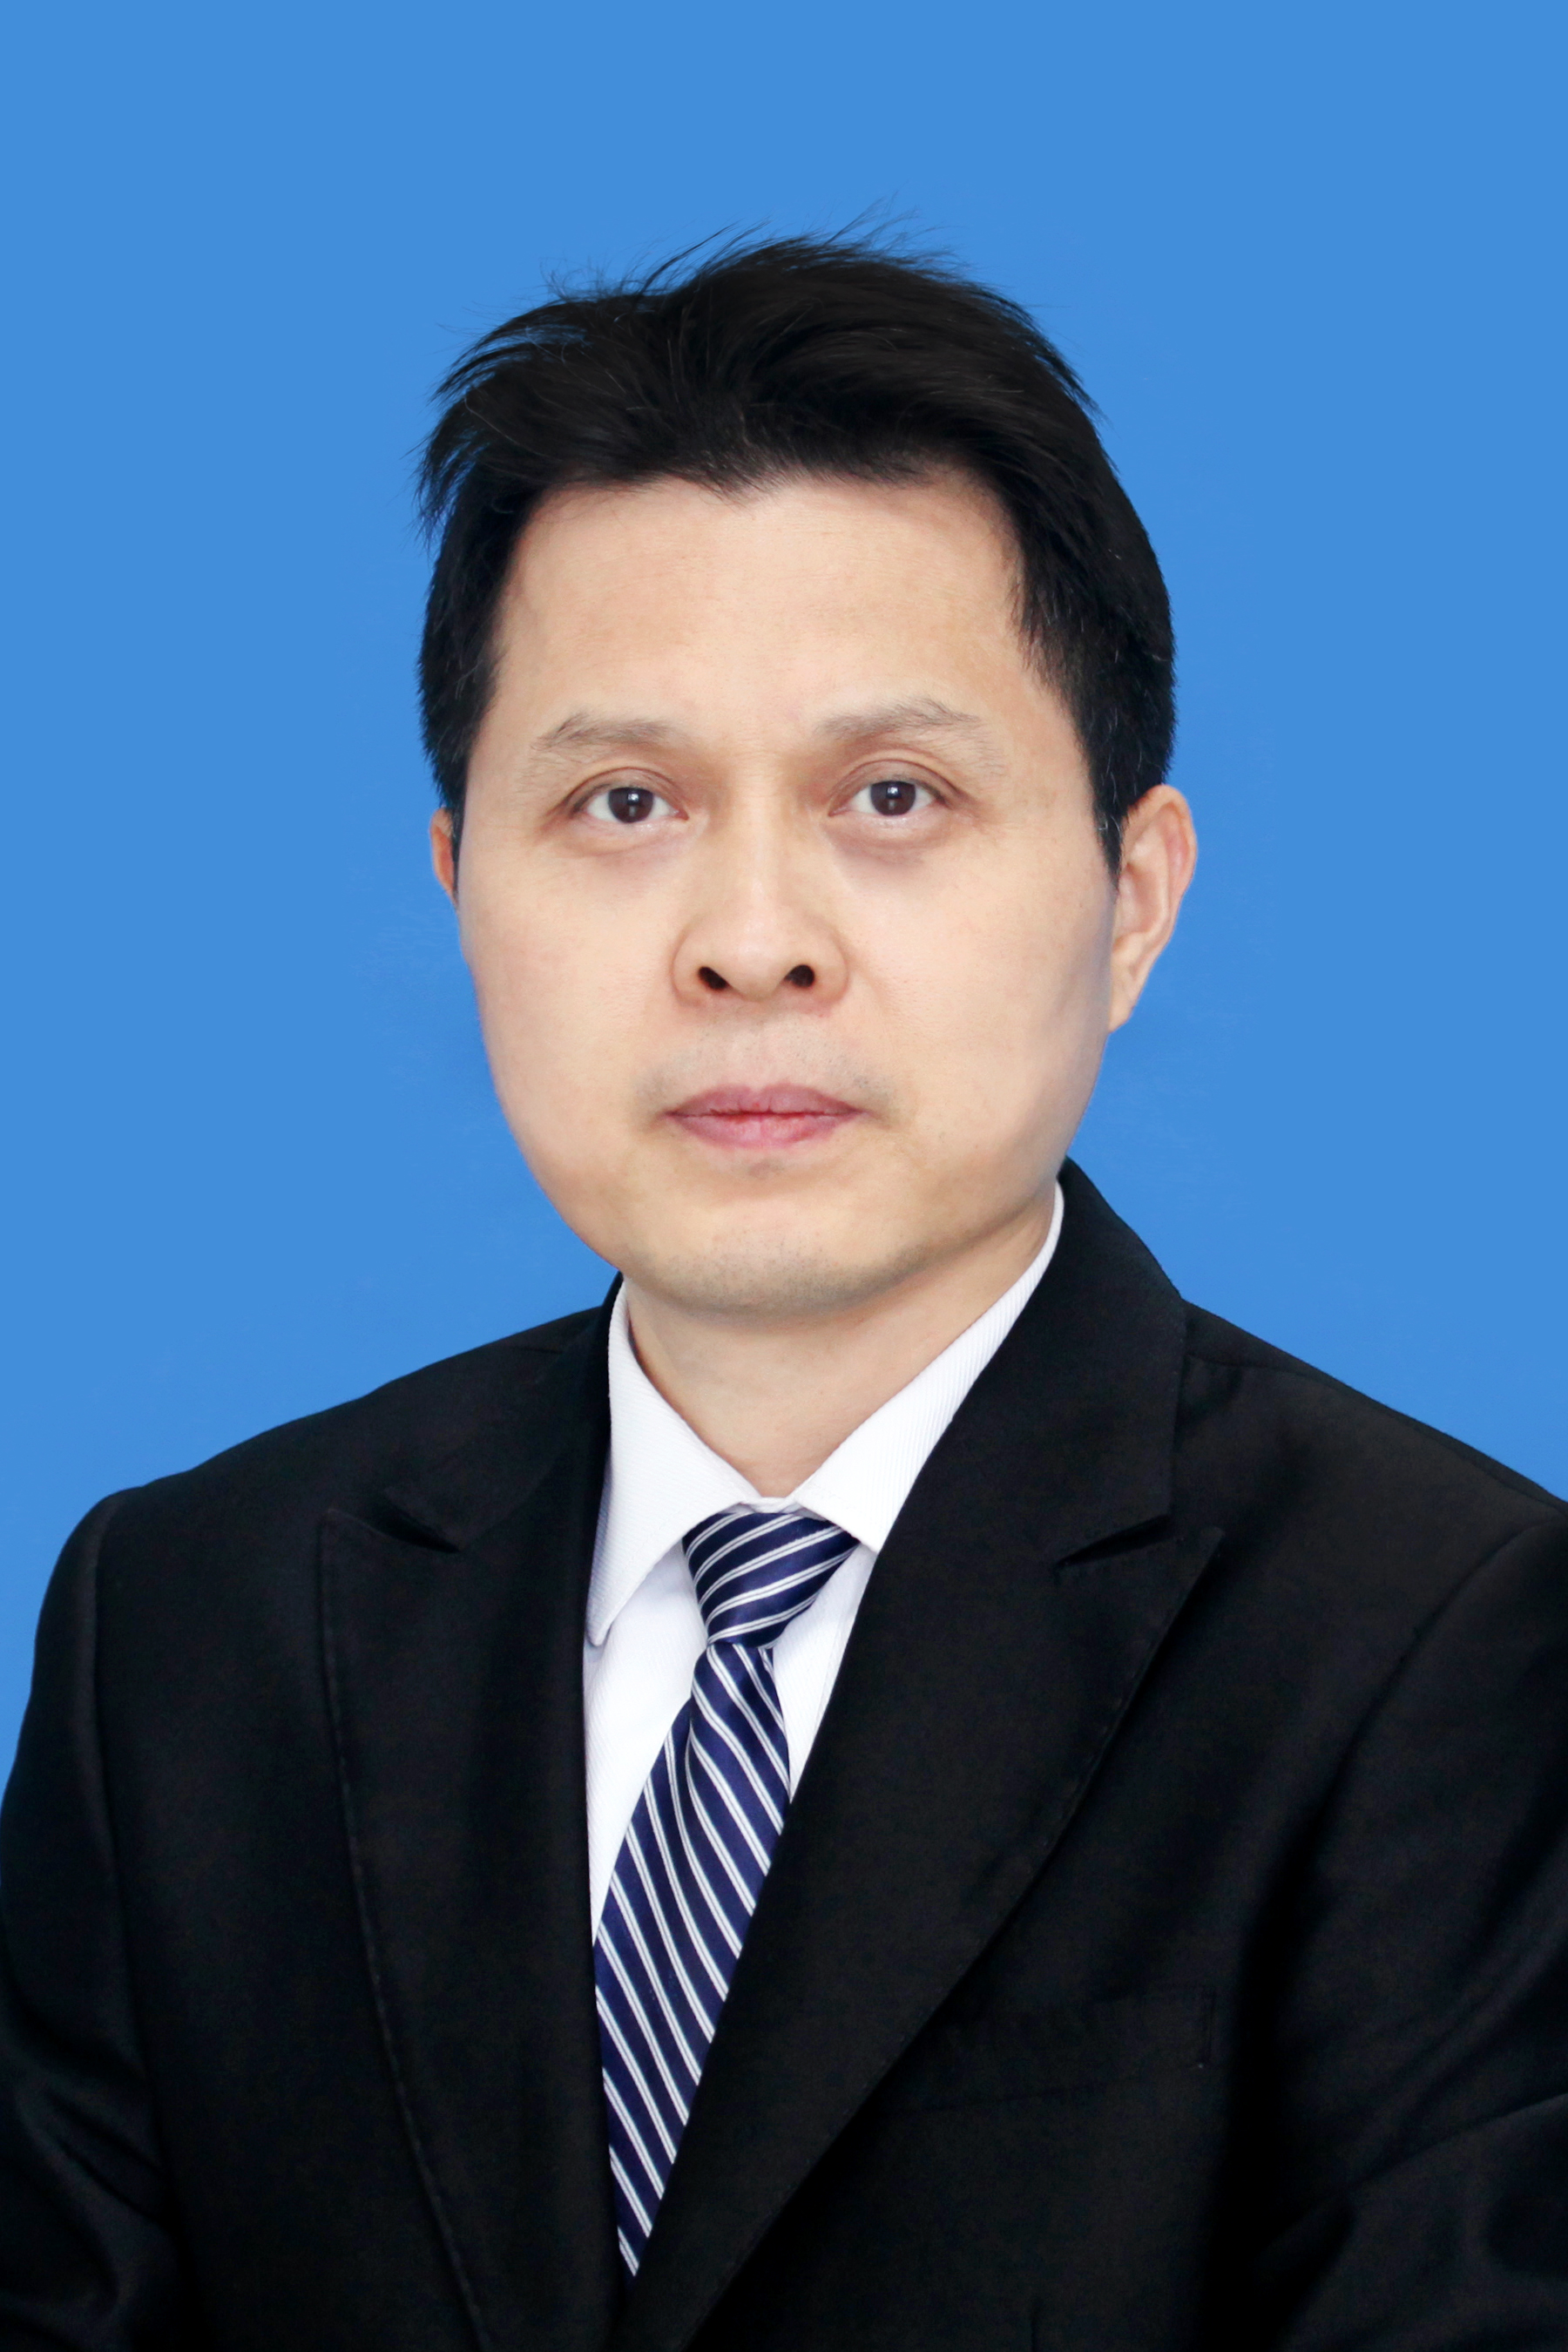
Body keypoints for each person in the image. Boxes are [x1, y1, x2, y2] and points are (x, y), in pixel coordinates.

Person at [2, 233, 1565, 2352]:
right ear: (461, 884)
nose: (752, 939)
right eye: (623, 801)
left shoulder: (1445, 1647)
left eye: (892, 797)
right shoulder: (191, 1628)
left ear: (1131, 899)